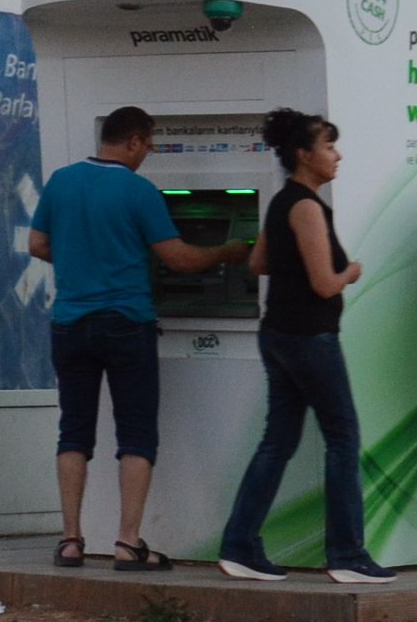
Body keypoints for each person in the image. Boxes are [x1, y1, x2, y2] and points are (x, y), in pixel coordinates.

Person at [29, 106, 249, 571]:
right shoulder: (138, 191)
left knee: (73, 431)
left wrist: (80, 261)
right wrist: (229, 251)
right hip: (126, 322)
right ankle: (128, 544)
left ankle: (70, 541)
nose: (148, 152)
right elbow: (179, 259)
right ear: (131, 141)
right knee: (136, 434)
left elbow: (37, 245)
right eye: (148, 144)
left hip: (69, 323)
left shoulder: (61, 181)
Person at [217, 108, 396, 584]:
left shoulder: (282, 202)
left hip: (277, 333)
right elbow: (324, 283)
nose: (337, 155)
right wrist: (351, 272)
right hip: (310, 337)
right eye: (328, 146)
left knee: (277, 442)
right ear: (303, 154)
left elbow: (258, 263)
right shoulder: (307, 208)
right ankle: (347, 554)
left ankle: (240, 546)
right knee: (342, 438)